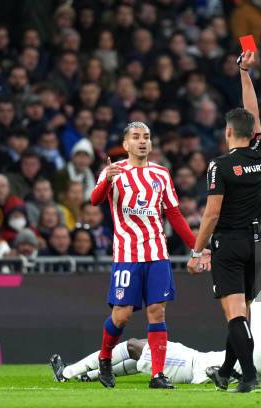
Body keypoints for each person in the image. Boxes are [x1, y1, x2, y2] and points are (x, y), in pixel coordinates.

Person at [87, 121, 209, 389]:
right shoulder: (113, 172)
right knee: (122, 316)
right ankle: (105, 358)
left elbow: (174, 214)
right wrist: (106, 180)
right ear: (126, 144)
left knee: (157, 313)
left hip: (157, 253)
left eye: (146, 137)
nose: (142, 141)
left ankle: (157, 374)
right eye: (136, 137)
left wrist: (196, 247)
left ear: (151, 144)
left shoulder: (161, 174)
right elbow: (95, 201)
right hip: (127, 254)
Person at [187, 50, 261, 393]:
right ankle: (224, 370)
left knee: (235, 314)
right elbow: (254, 112)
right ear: (251, 132)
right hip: (256, 244)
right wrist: (245, 74)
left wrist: (196, 251)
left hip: (229, 244)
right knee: (242, 313)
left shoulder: (219, 166)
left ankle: (248, 377)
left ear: (227, 132)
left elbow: (212, 214)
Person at [50, 279, 261, 384]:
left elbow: (257, 306)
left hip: (192, 365)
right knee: (142, 360)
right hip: (197, 366)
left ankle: (67, 373)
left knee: (134, 346)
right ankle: (89, 377)